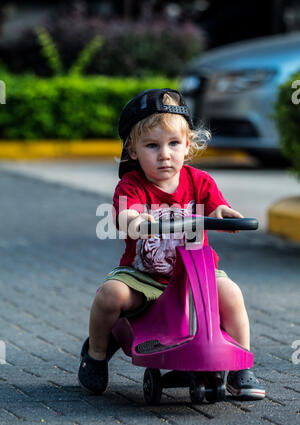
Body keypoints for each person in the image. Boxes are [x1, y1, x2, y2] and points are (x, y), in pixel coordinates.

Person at [78, 88, 265, 400]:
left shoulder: (199, 181)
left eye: (174, 144)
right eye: (152, 145)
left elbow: (216, 207)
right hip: (144, 275)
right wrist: (135, 221)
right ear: (133, 151)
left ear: (188, 145)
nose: (165, 154)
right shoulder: (132, 185)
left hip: (197, 273)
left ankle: (241, 366)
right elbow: (127, 213)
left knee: (231, 293)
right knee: (111, 295)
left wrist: (222, 213)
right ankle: (96, 355)